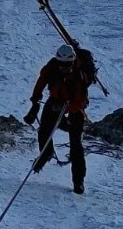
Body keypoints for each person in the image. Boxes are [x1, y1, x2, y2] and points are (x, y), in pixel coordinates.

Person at [25, 42, 91, 194]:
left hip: (74, 107)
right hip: (56, 101)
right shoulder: (51, 68)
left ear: (72, 62)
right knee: (44, 131)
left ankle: (78, 181)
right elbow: (40, 82)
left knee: (75, 145)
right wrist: (35, 100)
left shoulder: (80, 75)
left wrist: (66, 109)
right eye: (61, 63)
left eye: (66, 64)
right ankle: (46, 153)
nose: (63, 67)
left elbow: (81, 100)